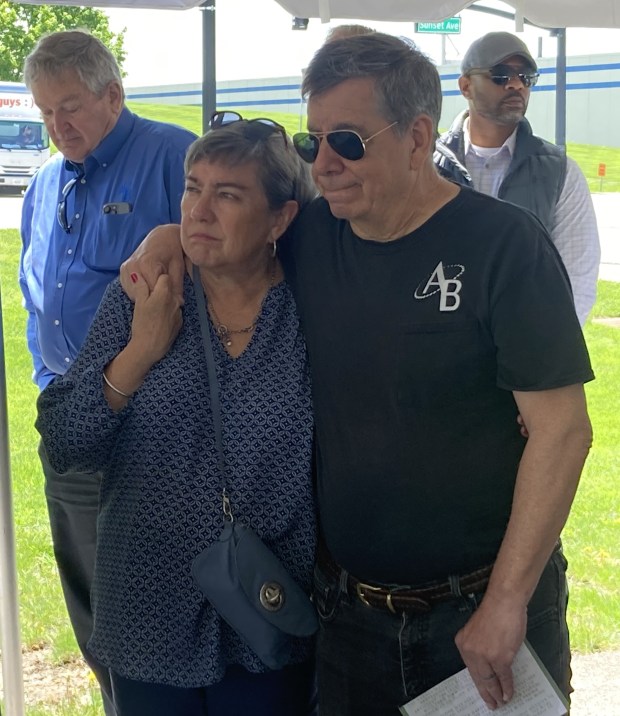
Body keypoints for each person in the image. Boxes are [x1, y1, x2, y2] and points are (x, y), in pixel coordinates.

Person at [121, 33, 593, 716]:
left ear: (417, 136)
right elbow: (222, 232)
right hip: (350, 619)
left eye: (347, 141)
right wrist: (165, 237)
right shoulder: (310, 236)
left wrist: (507, 602)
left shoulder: (504, 247)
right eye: (313, 143)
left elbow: (563, 434)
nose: (326, 164)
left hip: (482, 611)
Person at [36, 116, 318, 715]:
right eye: (192, 189)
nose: (199, 211)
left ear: (280, 219)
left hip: (268, 612)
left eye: (228, 195)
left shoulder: (309, 311)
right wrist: (139, 352)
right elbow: (65, 443)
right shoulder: (145, 292)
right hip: (149, 615)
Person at [19, 29, 196, 714]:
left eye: (70, 106)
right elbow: (39, 291)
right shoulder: (44, 178)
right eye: (45, 112)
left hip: (151, 427)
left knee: (158, 602)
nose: (58, 125)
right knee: (88, 596)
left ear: (113, 95)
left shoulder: (174, 159)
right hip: (70, 420)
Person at [434, 31, 600, 325]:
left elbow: (577, 280)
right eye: (500, 75)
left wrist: (542, 352)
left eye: (526, 76)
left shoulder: (561, 174)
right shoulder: (428, 165)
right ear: (465, 86)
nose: (516, 84)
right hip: (439, 349)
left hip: (523, 353)